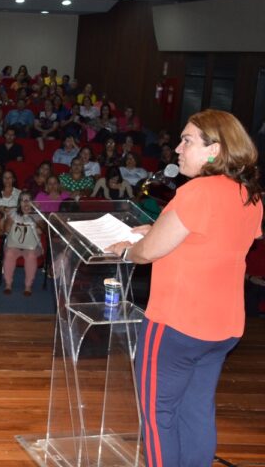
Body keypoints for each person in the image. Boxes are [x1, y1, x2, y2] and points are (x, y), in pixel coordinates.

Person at [106, 110, 263, 467]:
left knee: (159, 416)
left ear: (215, 150)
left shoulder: (197, 191)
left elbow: (146, 254)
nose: (177, 149)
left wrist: (129, 248)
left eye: (187, 141)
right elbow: (215, 236)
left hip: (176, 325)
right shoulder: (249, 194)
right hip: (224, 328)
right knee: (196, 412)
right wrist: (158, 230)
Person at [2, 191, 43, 296]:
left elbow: (41, 231)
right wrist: (9, 221)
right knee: (10, 253)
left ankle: (28, 286)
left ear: (32, 202)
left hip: (32, 246)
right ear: (19, 203)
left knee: (31, 256)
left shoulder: (38, 214)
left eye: (28, 200)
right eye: (22, 200)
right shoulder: (13, 213)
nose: (25, 203)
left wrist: (32, 218)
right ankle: (8, 284)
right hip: (14, 244)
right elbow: (6, 230)